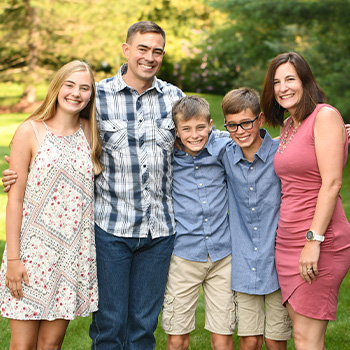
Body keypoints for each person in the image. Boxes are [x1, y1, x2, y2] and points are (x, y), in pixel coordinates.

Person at [0, 60, 102, 349]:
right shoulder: (30, 131)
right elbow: (15, 199)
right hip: (32, 253)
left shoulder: (91, 132)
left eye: (84, 88)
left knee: (51, 344)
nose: (76, 93)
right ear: (57, 87)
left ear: (91, 95)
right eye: (69, 85)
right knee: (22, 346)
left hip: (72, 254)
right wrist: (14, 260)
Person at [261, 52, 350, 350]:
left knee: (306, 341)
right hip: (287, 243)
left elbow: (333, 183)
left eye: (290, 79)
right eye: (277, 82)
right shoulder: (289, 125)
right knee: (305, 338)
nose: (283, 87)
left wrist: (314, 241)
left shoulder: (324, 116)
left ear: (305, 81)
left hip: (319, 241)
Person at [161, 96, 235, 350]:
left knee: (223, 334)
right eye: (187, 129)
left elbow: (258, 143)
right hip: (184, 256)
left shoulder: (223, 146)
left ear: (211, 125)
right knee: (177, 335)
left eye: (201, 127)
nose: (195, 135)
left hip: (223, 255)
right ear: (177, 131)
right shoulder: (168, 155)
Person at [221, 87, 292, 350]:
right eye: (232, 125)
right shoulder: (226, 153)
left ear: (260, 120)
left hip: (278, 262)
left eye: (246, 123)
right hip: (244, 263)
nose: (240, 131)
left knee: (275, 341)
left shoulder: (282, 153)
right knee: (249, 341)